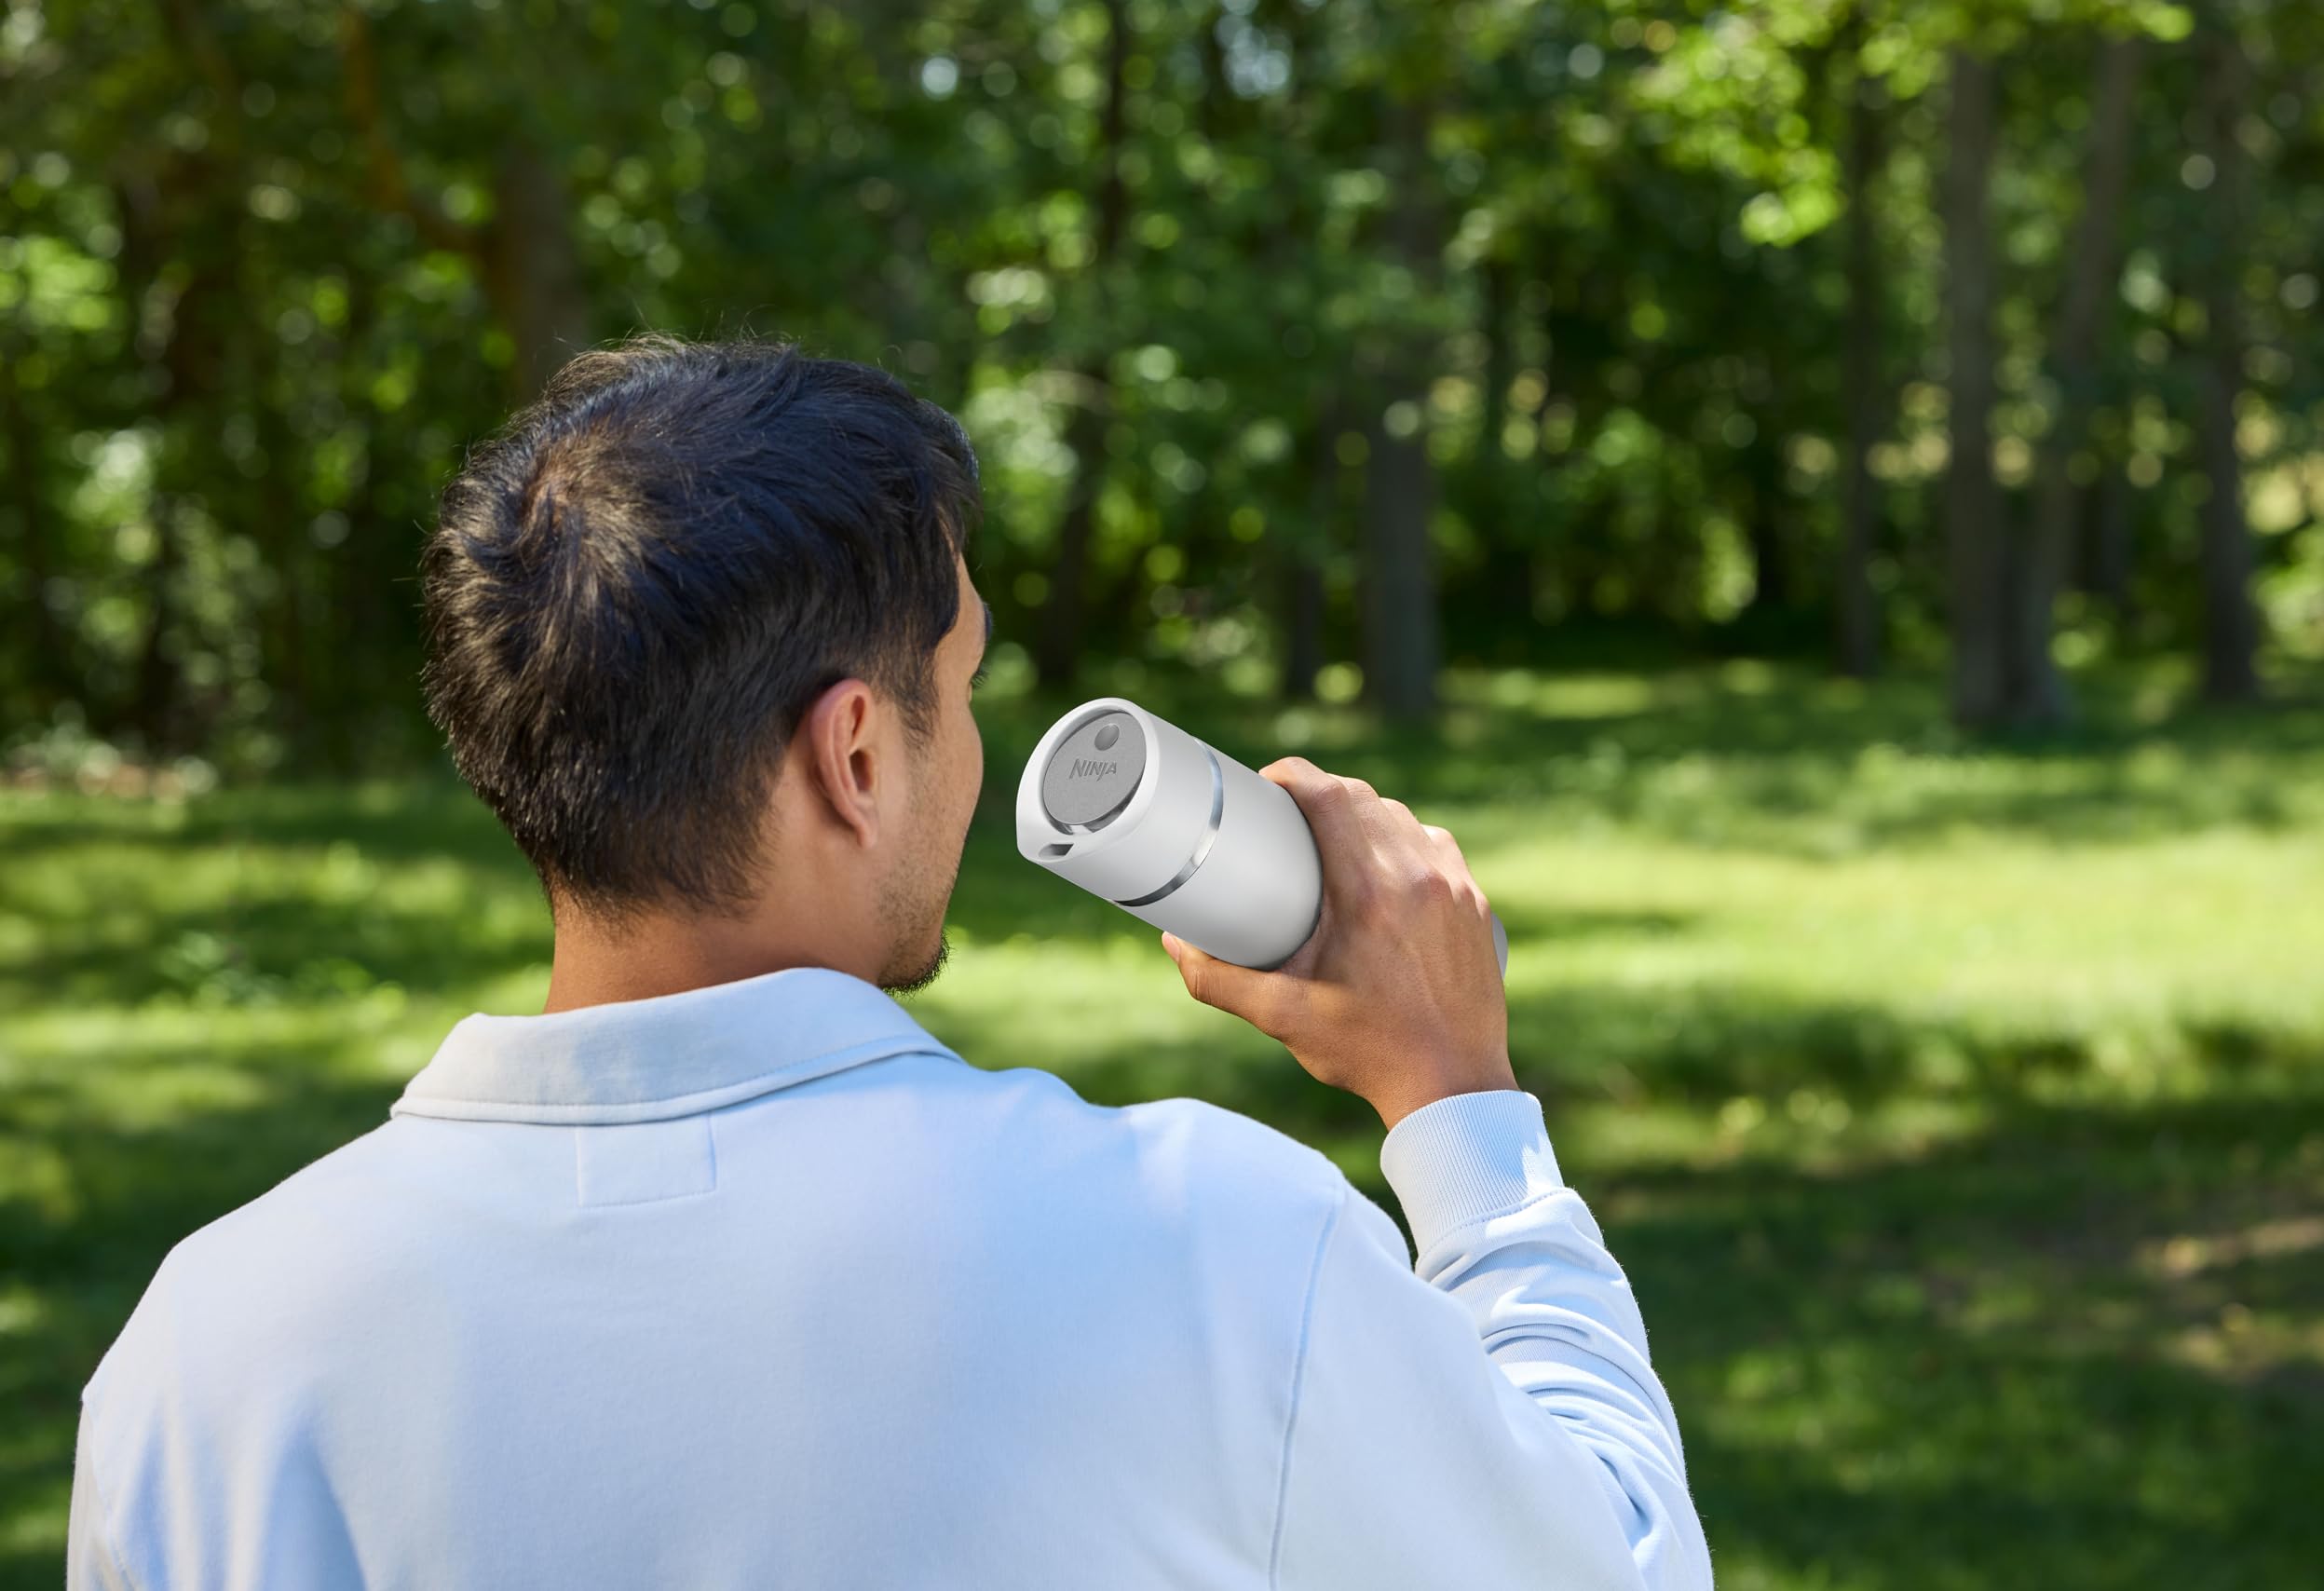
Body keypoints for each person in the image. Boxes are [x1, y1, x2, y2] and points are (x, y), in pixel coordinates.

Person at [67, 336, 1711, 1590]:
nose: (983, 754)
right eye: (969, 680)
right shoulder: (1207, 1253)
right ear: (855, 751)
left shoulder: (212, 1347)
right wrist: (1456, 1101)